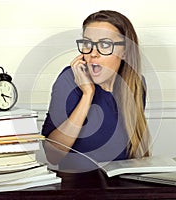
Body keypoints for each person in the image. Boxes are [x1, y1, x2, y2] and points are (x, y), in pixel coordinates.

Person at [41, 10, 151, 172]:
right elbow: (53, 155)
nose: (93, 54)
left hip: (121, 187)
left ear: (125, 52)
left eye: (105, 45)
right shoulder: (68, 80)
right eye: (87, 44)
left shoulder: (136, 85)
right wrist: (87, 94)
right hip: (78, 188)